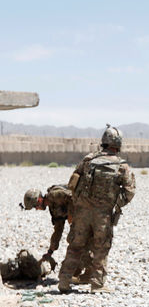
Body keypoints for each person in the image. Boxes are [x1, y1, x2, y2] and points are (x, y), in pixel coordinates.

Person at [57, 125, 135, 294]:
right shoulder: (122, 166)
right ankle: (97, 285)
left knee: (75, 246)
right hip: (103, 215)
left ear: (104, 142)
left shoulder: (87, 160)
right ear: (118, 144)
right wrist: (114, 203)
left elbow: (73, 184)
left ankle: (64, 281)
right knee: (101, 247)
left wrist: (80, 203)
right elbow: (129, 192)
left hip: (82, 213)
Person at [23, 185, 93, 283]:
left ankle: (91, 272)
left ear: (38, 200)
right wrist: (50, 251)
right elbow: (58, 230)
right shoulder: (53, 209)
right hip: (79, 220)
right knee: (75, 241)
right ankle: (80, 272)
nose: (37, 209)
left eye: (35, 207)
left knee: (76, 241)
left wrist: (71, 215)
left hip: (86, 215)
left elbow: (73, 197)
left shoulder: (54, 195)